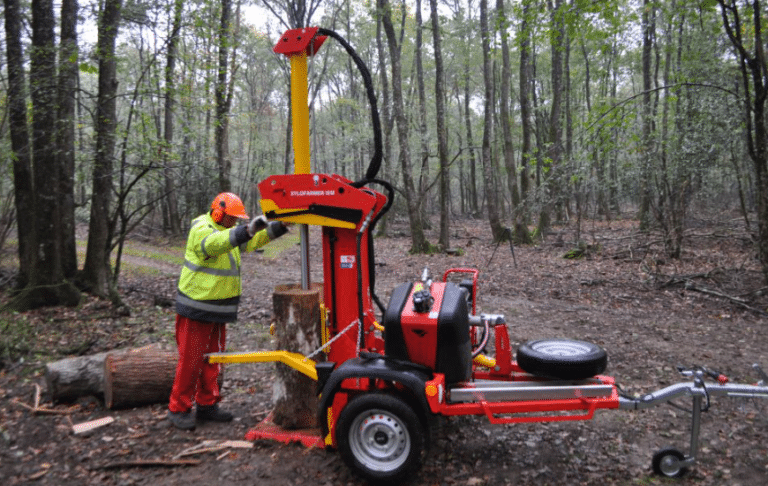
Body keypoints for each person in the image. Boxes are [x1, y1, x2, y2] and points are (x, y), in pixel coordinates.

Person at [167, 192, 288, 430]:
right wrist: (246, 230)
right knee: (190, 363)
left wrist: (279, 227)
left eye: (236, 219)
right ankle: (178, 408)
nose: (234, 222)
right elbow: (216, 244)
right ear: (218, 213)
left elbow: (251, 241)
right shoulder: (202, 228)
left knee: (213, 361)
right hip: (196, 308)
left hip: (217, 309)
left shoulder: (228, 232)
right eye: (231, 218)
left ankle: (207, 405)